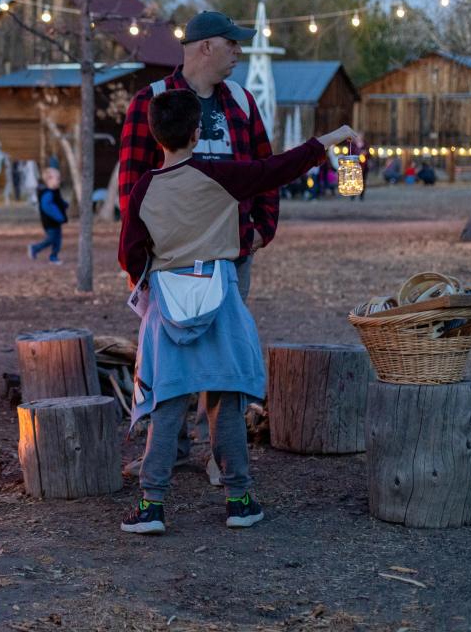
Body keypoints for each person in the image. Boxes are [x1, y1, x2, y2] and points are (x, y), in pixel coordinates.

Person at [118, 88, 359, 534]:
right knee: (224, 404)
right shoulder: (219, 175)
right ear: (196, 133)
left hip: (168, 305)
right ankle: (240, 500)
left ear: (156, 136)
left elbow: (131, 257)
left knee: (167, 405)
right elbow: (276, 169)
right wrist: (330, 138)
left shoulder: (143, 190)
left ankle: (152, 506)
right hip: (220, 297)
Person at [117, 10, 273, 481]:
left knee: (221, 353)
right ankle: (173, 449)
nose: (239, 53)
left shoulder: (242, 103)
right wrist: (138, 259)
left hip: (230, 257)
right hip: (169, 264)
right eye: (232, 44)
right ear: (205, 47)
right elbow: (133, 187)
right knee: (169, 355)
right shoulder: (153, 101)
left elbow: (265, 170)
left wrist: (263, 226)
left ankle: (221, 457)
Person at [28, 166, 67, 264]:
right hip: (50, 222)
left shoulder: (54, 192)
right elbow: (47, 207)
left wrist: (64, 204)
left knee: (57, 240)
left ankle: (53, 256)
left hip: (56, 221)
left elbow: (58, 202)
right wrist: (59, 216)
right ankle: (35, 248)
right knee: (51, 239)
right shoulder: (47, 194)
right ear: (49, 180)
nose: (59, 181)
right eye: (57, 179)